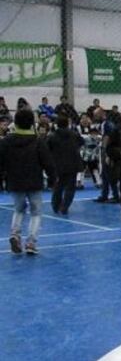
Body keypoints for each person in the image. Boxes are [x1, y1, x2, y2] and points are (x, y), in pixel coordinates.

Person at [0, 109, 57, 255]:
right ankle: (31, 242)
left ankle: (14, 234)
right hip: (34, 180)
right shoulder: (37, 141)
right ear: (32, 122)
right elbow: (48, 162)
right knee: (36, 211)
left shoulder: (6, 141)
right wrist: (52, 179)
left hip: (14, 180)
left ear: (16, 122)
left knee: (18, 208)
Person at [47, 116, 83, 215]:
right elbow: (81, 142)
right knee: (70, 187)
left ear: (56, 124)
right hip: (73, 164)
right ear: (67, 123)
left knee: (58, 186)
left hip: (58, 165)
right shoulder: (74, 134)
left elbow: (47, 149)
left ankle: (55, 206)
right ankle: (65, 206)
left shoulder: (52, 136)